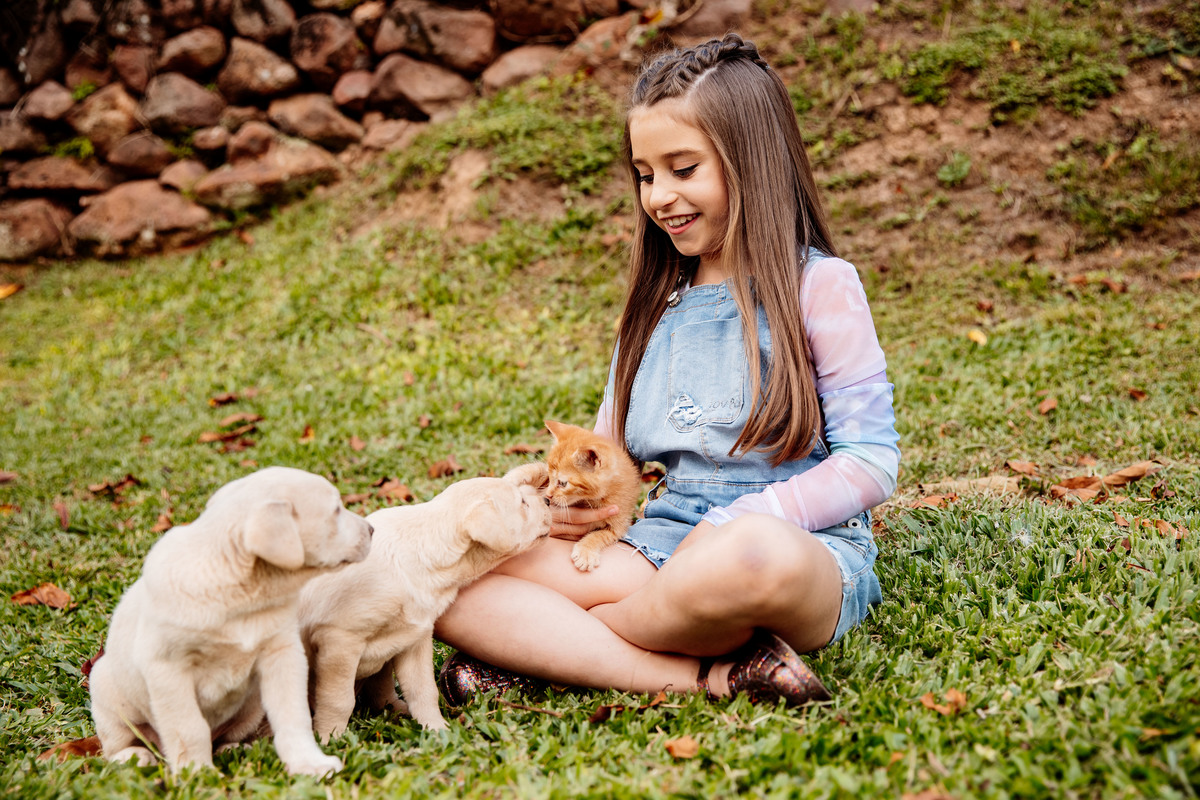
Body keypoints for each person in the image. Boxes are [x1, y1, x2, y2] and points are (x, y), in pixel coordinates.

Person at [433, 33, 900, 706]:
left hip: (792, 552)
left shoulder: (819, 286)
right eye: (646, 175)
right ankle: (705, 675)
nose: (659, 197)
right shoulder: (655, 306)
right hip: (657, 545)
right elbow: (608, 456)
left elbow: (872, 463)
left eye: (683, 169)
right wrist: (560, 507)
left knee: (746, 558)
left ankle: (565, 647)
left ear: (751, 162)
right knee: (458, 575)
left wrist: (737, 521)